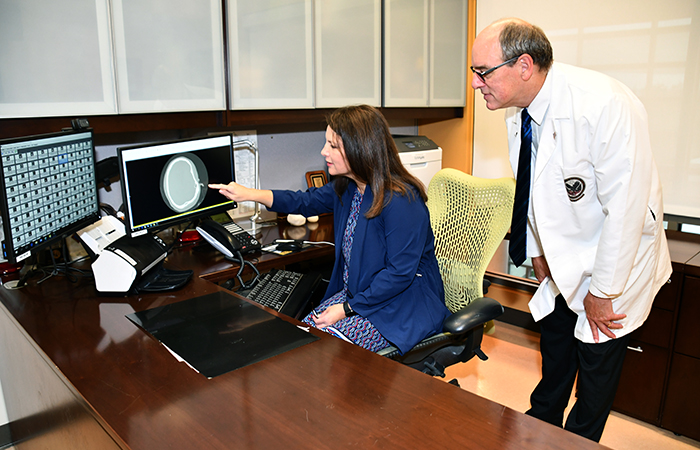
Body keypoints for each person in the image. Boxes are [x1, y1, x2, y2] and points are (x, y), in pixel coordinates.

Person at [471, 18, 672, 442]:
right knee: (556, 348)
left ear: (523, 65)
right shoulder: (521, 114)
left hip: (615, 259)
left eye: (482, 72)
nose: (475, 84)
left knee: (596, 367)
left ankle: (578, 440)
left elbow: (627, 208)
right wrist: (540, 251)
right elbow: (533, 188)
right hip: (566, 256)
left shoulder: (604, 104)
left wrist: (603, 291)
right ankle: (538, 428)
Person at [209, 104, 450, 354]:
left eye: (333, 146)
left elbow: (399, 274)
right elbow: (303, 201)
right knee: (299, 338)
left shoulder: (400, 201)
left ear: (361, 148)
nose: (324, 151)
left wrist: (346, 309)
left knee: (318, 352)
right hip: (360, 297)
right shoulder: (347, 187)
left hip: (399, 308)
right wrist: (249, 193)